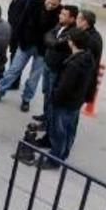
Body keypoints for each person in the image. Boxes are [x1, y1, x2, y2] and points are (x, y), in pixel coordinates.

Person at [39, 29, 96, 169]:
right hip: (76, 101)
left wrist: (54, 98)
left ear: (72, 42)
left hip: (64, 103)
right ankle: (63, 154)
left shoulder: (73, 64)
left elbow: (64, 87)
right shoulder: (88, 58)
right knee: (69, 130)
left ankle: (54, 159)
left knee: (59, 131)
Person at [0, 0, 62, 111]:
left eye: (54, 5)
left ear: (59, 3)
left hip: (42, 50)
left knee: (34, 77)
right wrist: (17, 40)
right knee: (13, 70)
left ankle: (26, 99)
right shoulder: (34, 3)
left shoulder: (61, 12)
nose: (50, 6)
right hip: (26, 44)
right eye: (48, 2)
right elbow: (22, 22)